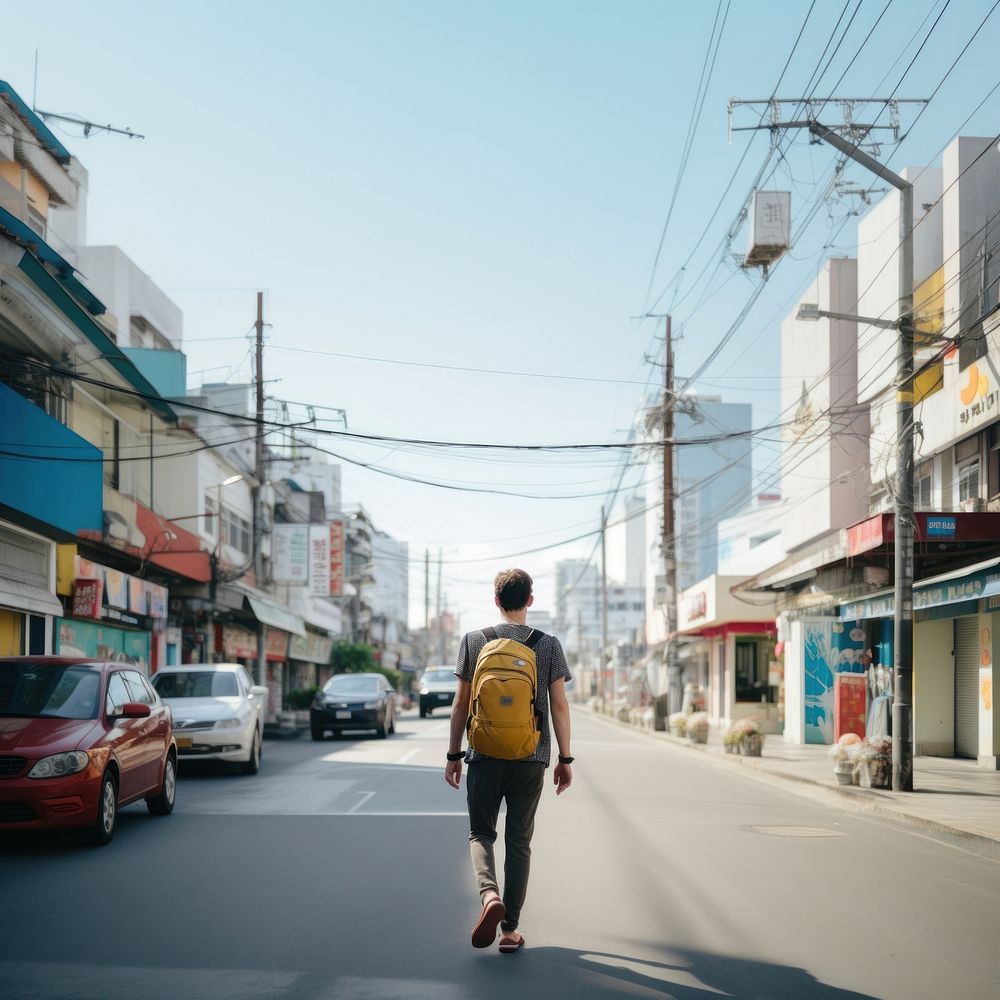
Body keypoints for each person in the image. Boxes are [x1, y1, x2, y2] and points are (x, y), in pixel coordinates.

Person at [444, 567, 573, 953]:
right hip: (530, 757)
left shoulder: (474, 640)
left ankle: (488, 896)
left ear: (496, 600)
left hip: (482, 753)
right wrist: (565, 758)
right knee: (519, 842)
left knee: (481, 833)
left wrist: (454, 755)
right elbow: (560, 707)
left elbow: (460, 704)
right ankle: (509, 931)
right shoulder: (547, 644)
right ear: (529, 601)